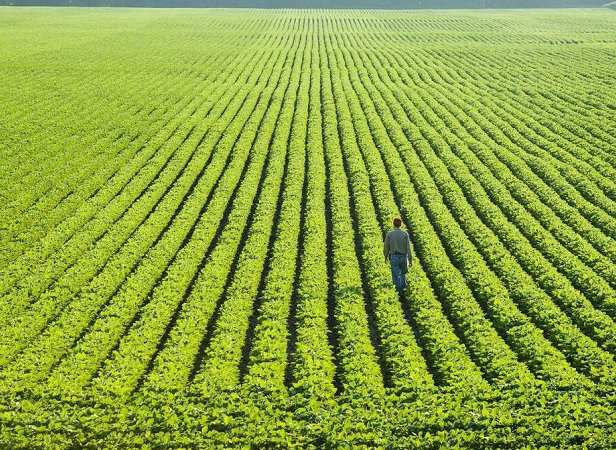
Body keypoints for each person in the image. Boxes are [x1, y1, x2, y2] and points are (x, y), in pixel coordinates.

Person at [383, 217, 413, 295]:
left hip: (394, 257)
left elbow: (386, 247)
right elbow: (408, 248)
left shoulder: (390, 234)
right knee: (403, 274)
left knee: (395, 275)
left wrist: (386, 257)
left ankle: (397, 292)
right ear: (401, 224)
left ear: (393, 224)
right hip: (403, 257)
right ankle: (402, 291)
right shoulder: (404, 234)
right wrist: (410, 259)